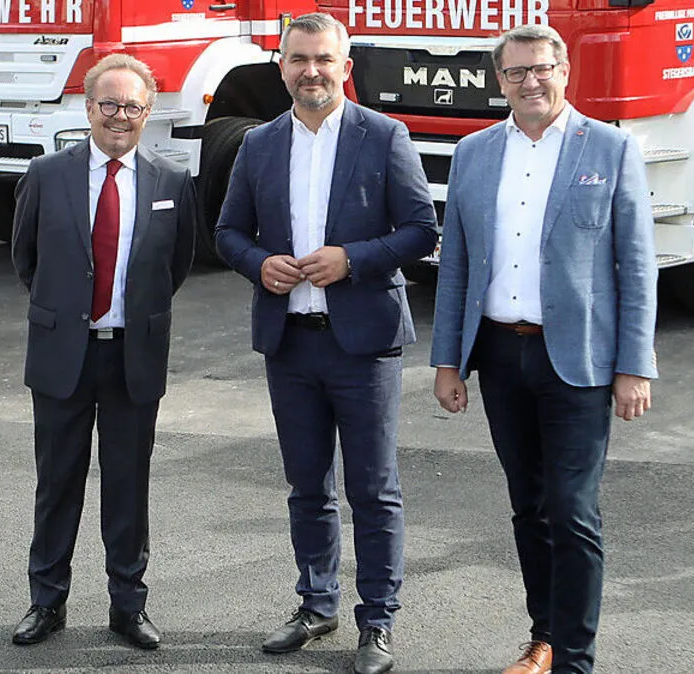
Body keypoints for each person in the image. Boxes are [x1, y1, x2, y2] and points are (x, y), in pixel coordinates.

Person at [430, 24, 657, 674]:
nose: (530, 81)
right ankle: (545, 638)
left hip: (579, 363)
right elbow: (456, 266)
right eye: (516, 71)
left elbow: (637, 265)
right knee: (528, 506)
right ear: (499, 81)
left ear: (564, 71)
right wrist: (447, 361)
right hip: (501, 358)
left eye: (541, 68)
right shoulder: (473, 153)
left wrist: (634, 365)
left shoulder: (611, 148)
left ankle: (575, 662)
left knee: (572, 510)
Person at [214, 13, 437, 674]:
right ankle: (316, 604)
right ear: (281, 67)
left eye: (323, 59)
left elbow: (421, 229)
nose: (311, 71)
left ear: (346, 67)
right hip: (290, 344)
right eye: (298, 59)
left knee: (373, 490)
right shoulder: (259, 144)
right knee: (306, 485)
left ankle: (378, 621)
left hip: (363, 345)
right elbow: (227, 232)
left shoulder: (385, 135)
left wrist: (353, 259)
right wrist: (259, 264)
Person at [9, 53, 195, 652]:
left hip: (132, 357)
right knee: (56, 484)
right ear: (88, 108)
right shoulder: (46, 174)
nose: (120, 116)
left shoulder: (171, 181)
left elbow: (176, 265)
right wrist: (68, 311)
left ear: (148, 112)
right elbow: (25, 259)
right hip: (63, 353)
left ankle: (128, 605)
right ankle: (46, 602)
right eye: (109, 104)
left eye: (132, 106)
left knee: (128, 486)